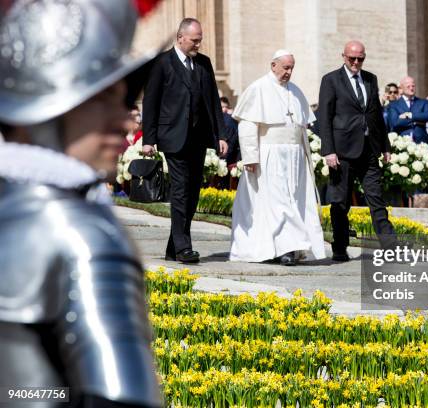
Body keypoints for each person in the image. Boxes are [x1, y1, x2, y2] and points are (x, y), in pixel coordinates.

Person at [0, 0, 162, 406]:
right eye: (103, 98)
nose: (125, 121)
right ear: (47, 108)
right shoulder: (80, 233)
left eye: (124, 100)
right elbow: (120, 398)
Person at [143, 18, 228, 263]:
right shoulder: (162, 63)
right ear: (180, 37)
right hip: (172, 137)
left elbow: (213, 100)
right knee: (180, 191)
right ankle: (184, 248)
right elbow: (151, 102)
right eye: (194, 40)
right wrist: (148, 139)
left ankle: (173, 246)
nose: (198, 44)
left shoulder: (204, 64)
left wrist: (220, 134)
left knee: (192, 193)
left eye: (200, 39)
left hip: (198, 139)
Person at [229, 50, 325, 266]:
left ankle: (288, 247)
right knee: (278, 204)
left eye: (292, 68)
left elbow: (302, 128)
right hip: (269, 156)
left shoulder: (296, 91)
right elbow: (247, 125)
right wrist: (251, 157)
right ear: (273, 65)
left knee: (295, 202)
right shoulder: (258, 88)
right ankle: (285, 249)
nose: (289, 72)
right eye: (285, 68)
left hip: (295, 158)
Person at [318, 40, 397, 262]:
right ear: (343, 56)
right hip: (341, 153)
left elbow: (376, 115)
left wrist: (385, 145)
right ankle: (340, 246)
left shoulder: (371, 79)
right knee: (340, 202)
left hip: (368, 150)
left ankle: (391, 246)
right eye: (351, 58)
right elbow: (324, 117)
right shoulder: (331, 80)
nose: (355, 62)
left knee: (377, 199)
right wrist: (328, 150)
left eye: (360, 58)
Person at [388, 76, 428, 144]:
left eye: (413, 86)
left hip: (422, 142)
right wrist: (417, 121)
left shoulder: (423, 102)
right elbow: (395, 123)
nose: (411, 88)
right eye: (408, 86)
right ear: (402, 88)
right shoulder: (394, 105)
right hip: (402, 143)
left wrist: (410, 115)